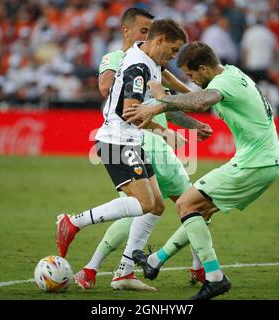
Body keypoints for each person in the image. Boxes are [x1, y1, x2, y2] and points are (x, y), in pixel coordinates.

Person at [124, 41, 279, 299]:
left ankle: (215, 277)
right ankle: (155, 260)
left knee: (185, 204)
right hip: (265, 162)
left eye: (191, 75)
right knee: (201, 210)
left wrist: (162, 99)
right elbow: (193, 102)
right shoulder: (233, 74)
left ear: (203, 68)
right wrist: (175, 109)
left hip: (255, 163)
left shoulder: (222, 84)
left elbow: (201, 101)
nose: (192, 81)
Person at [74, 8, 214, 292]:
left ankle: (96, 268)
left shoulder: (153, 64)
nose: (146, 35)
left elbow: (171, 102)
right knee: (192, 205)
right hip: (143, 140)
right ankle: (203, 270)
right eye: (142, 31)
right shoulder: (125, 60)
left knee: (151, 207)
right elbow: (112, 94)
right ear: (127, 32)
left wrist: (192, 115)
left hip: (142, 139)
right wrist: (165, 126)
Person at [55, 19, 189, 287]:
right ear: (160, 40)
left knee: (157, 206)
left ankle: (125, 272)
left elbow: (162, 72)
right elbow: (129, 111)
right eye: (173, 50)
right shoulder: (138, 68)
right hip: (117, 142)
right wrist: (164, 130)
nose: (173, 57)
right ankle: (73, 222)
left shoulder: (147, 54)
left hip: (131, 141)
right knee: (144, 204)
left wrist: (191, 94)